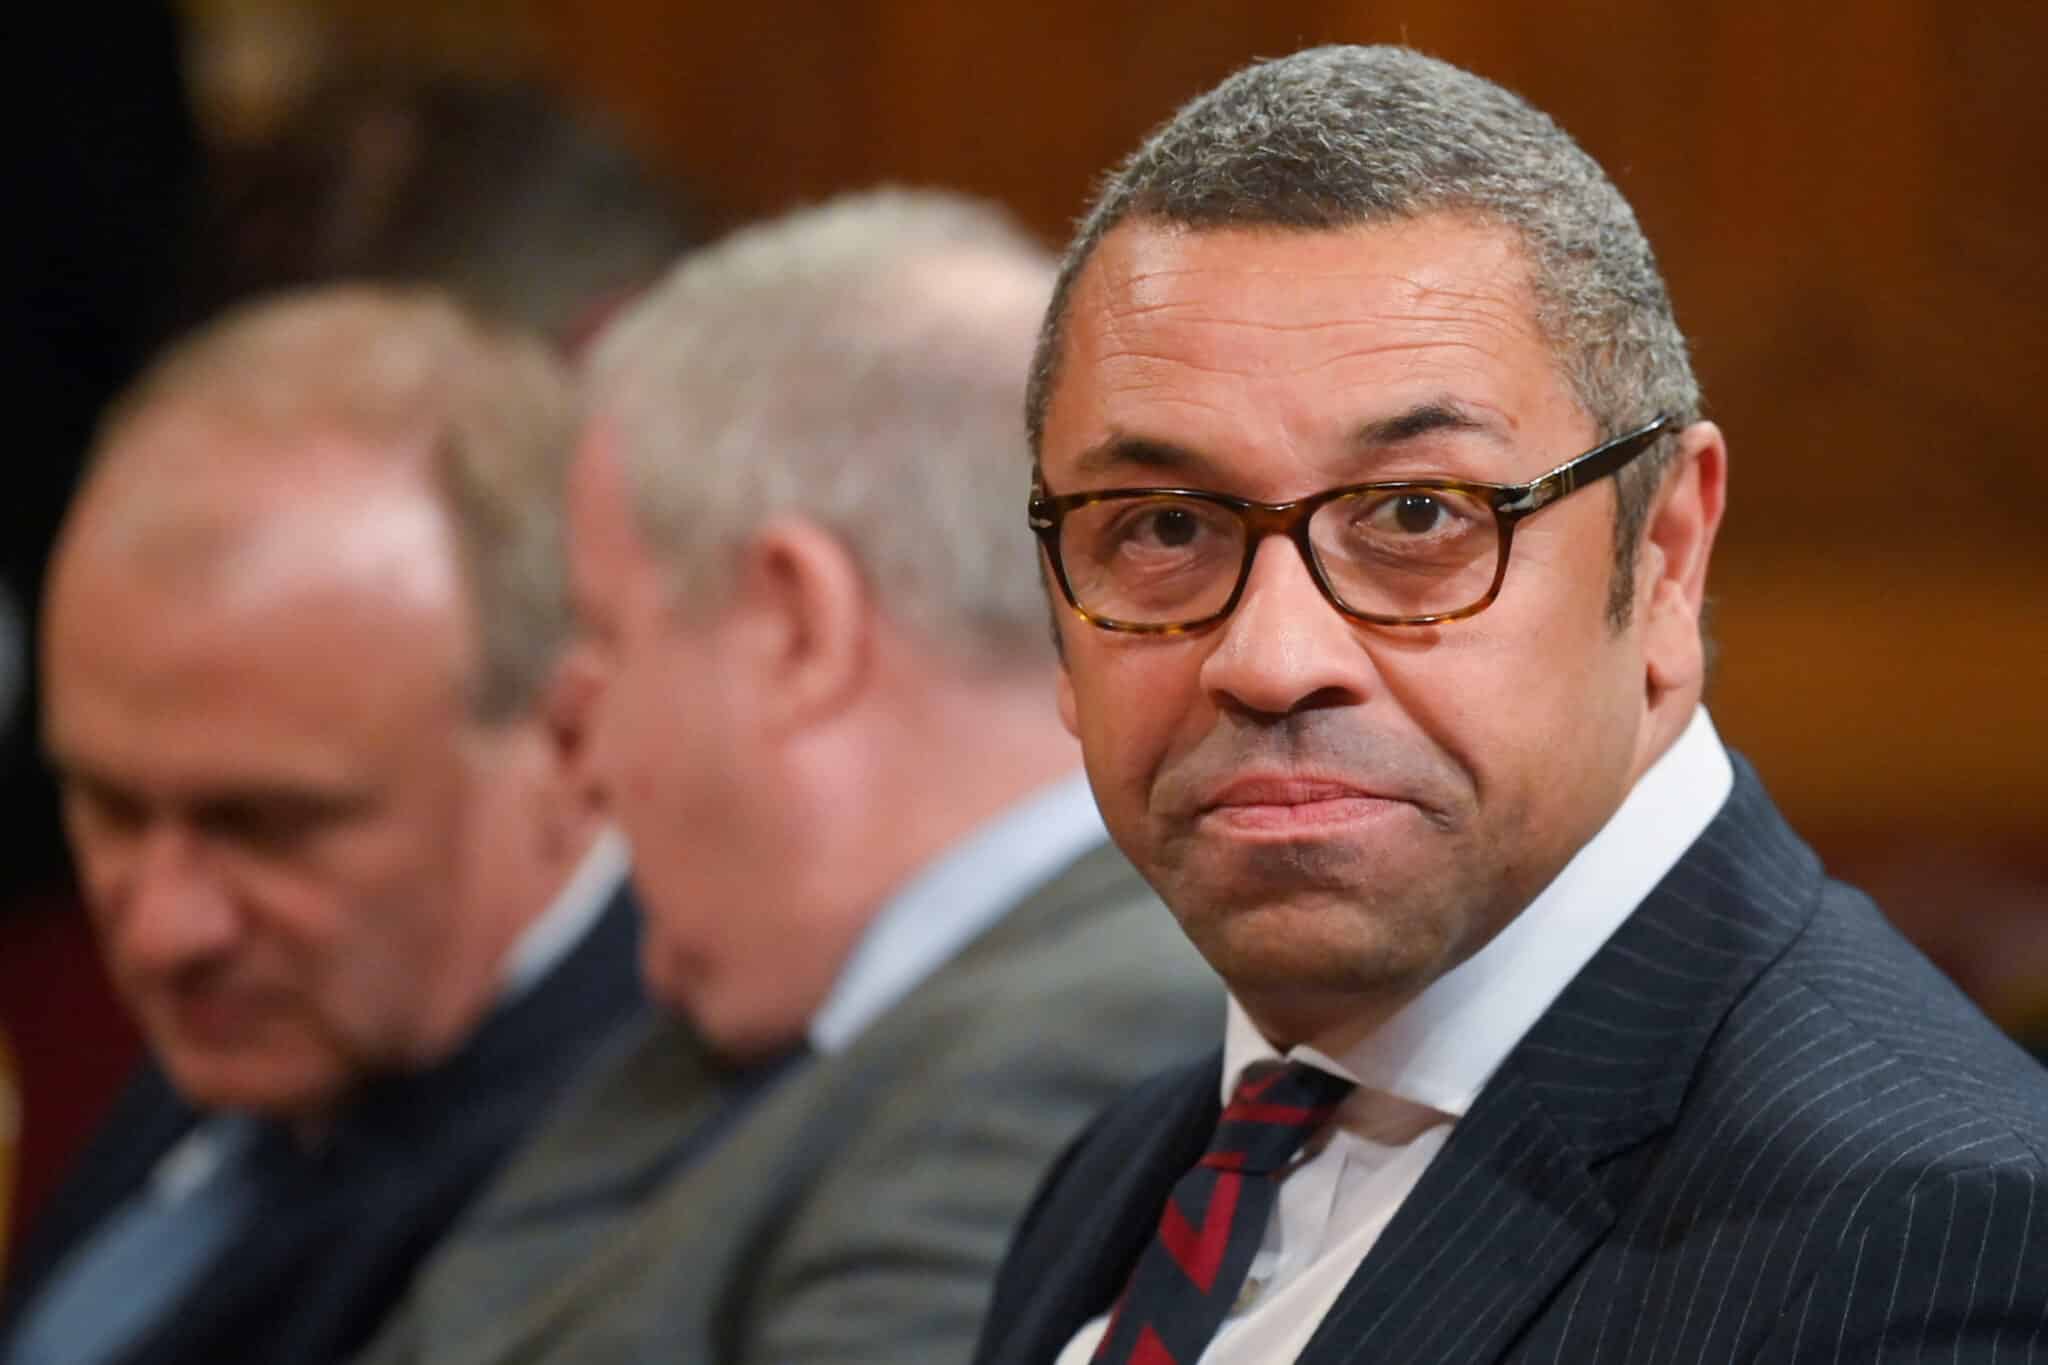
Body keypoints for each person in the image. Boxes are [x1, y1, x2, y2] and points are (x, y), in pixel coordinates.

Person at [973, 45, 2048, 1365]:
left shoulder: (1933, 1236)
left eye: (1419, 514)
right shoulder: (1129, 1169)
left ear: (1663, 557)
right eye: (1162, 524)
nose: (1266, 655)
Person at [356, 190, 1217, 1365]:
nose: (582, 756)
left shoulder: (1094, 1043)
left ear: (795, 627)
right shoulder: (770, 1008)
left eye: (605, 639)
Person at [0, 288, 644, 1365]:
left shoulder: (632, 1206)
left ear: (571, 746)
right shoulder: (298, 1026)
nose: (163, 929)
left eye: (265, 827)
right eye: (107, 805)